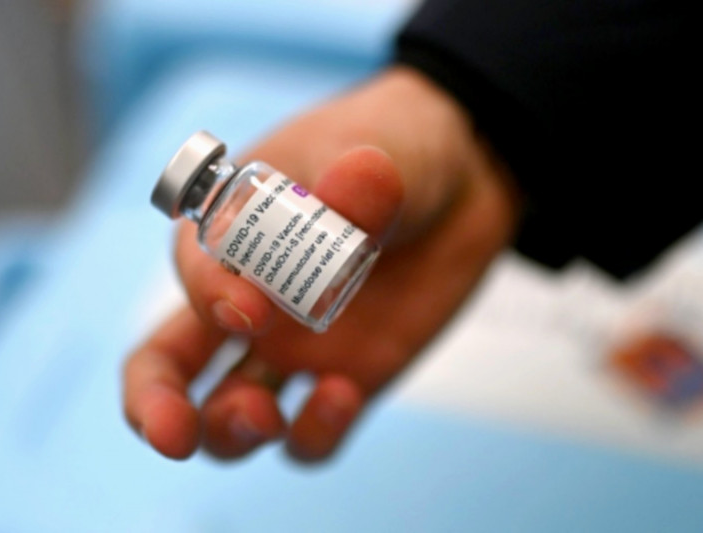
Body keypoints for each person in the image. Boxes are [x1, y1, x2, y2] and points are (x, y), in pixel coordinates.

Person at [122, 0, 696, 461]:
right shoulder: (214, 232)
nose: (209, 197)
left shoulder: (252, 180)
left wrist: (458, 102)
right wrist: (454, 110)